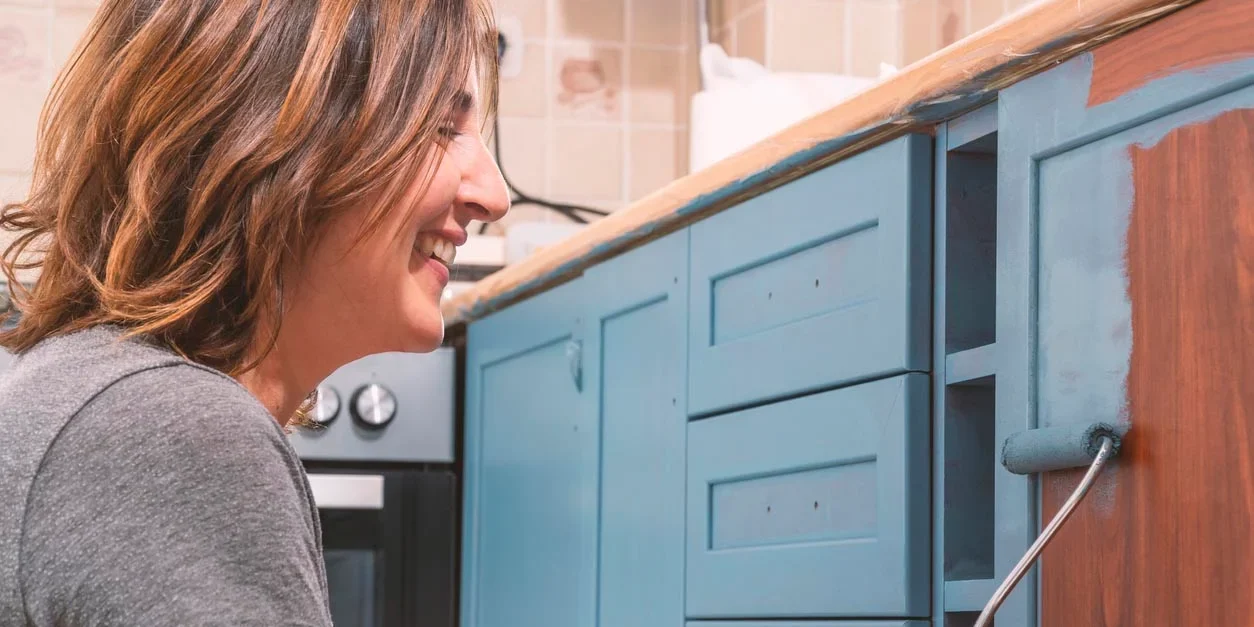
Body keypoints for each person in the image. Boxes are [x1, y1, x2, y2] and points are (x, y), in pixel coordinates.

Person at [0, 0, 509, 625]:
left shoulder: (102, 396)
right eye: (439, 126)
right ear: (274, 135)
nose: (494, 195)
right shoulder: (169, 435)